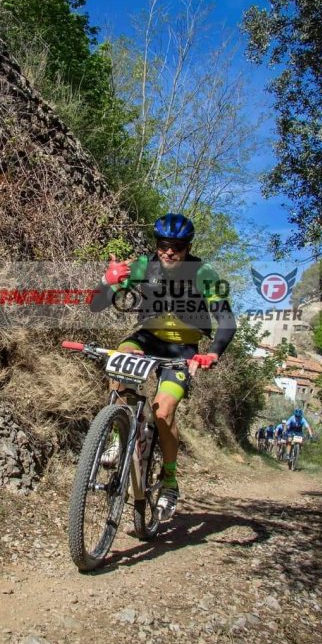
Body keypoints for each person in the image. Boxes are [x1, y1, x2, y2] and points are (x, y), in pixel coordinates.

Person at [90, 212, 236, 520]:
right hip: (147, 338)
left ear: (188, 247)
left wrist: (213, 354)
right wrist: (107, 282)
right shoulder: (143, 266)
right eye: (163, 245)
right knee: (120, 360)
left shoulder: (204, 273)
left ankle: (169, 480)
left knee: (163, 411)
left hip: (183, 348)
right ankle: (118, 435)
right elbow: (96, 304)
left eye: (177, 247)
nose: (169, 252)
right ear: (156, 244)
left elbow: (226, 319)